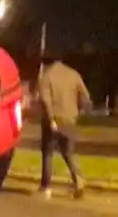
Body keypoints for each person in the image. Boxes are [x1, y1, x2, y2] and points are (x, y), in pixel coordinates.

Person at [37, 53, 92, 200]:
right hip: (70, 120)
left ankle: (46, 187)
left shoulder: (46, 77)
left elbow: (46, 100)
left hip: (53, 120)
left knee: (48, 153)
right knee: (68, 152)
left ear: (46, 62)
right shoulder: (74, 74)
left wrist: (51, 119)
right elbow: (85, 97)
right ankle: (78, 179)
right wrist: (77, 112)